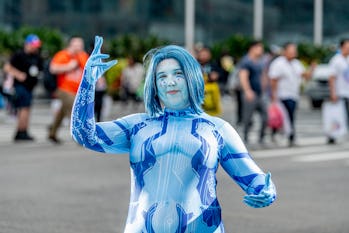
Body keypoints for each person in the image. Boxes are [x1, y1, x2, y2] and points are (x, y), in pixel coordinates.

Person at [71, 36, 276, 232]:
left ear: (192, 77)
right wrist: (88, 82)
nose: (170, 82)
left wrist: (266, 191)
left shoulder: (217, 129)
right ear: (154, 85)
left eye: (178, 74)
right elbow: (84, 134)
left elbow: (253, 177)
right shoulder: (138, 126)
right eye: (162, 76)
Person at [268, 42, 314, 147]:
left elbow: (304, 75)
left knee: (289, 116)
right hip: (282, 95)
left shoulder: (296, 63)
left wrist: (312, 68)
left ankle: (282, 134)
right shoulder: (278, 63)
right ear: (285, 51)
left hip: (293, 94)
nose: (293, 52)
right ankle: (289, 136)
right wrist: (274, 95)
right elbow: (273, 79)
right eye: (291, 50)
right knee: (285, 116)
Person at [48, 36, 89, 143]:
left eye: (80, 45)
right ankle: (80, 136)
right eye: (76, 45)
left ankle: (52, 132)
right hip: (64, 89)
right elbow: (53, 68)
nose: (78, 47)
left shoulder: (83, 56)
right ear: (70, 45)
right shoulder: (63, 55)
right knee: (75, 110)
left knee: (62, 112)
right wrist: (69, 66)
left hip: (78, 90)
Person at [3, 34, 43, 141]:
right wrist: (18, 74)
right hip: (21, 86)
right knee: (24, 108)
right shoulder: (19, 55)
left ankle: (22, 130)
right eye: (33, 45)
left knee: (26, 108)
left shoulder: (36, 57)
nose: (35, 47)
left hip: (30, 87)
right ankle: (21, 131)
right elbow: (7, 67)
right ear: (27, 44)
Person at [239, 41, 268, 145]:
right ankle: (245, 137)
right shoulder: (246, 61)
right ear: (252, 48)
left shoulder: (260, 62)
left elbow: (262, 76)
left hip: (259, 94)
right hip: (250, 93)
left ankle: (261, 138)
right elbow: (243, 76)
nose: (261, 50)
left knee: (265, 116)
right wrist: (247, 91)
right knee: (247, 117)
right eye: (260, 48)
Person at [327, 38, 349, 144]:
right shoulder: (336, 60)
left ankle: (342, 133)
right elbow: (331, 78)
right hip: (340, 93)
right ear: (341, 47)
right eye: (346, 47)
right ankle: (332, 135)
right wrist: (333, 93)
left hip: (347, 92)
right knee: (337, 115)